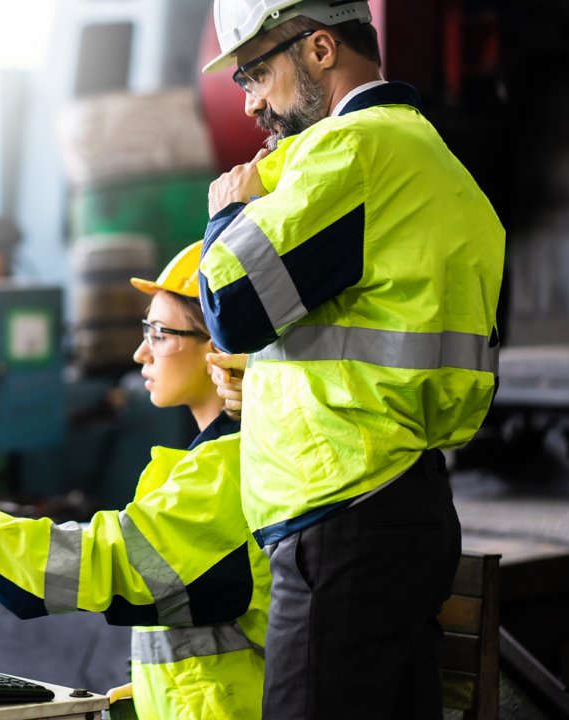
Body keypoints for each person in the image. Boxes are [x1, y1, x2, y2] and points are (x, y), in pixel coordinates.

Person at [197, 1, 506, 718]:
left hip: (344, 518)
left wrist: (228, 212)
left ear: (322, 50)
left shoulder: (352, 151)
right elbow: (365, 327)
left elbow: (234, 308)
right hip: (404, 499)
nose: (249, 104)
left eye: (256, 74)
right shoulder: (432, 159)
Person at [0, 241, 270, 720]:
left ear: (218, 349)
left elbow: (104, 563)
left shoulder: (227, 467)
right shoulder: (203, 462)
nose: (140, 352)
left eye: (161, 335)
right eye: (145, 330)